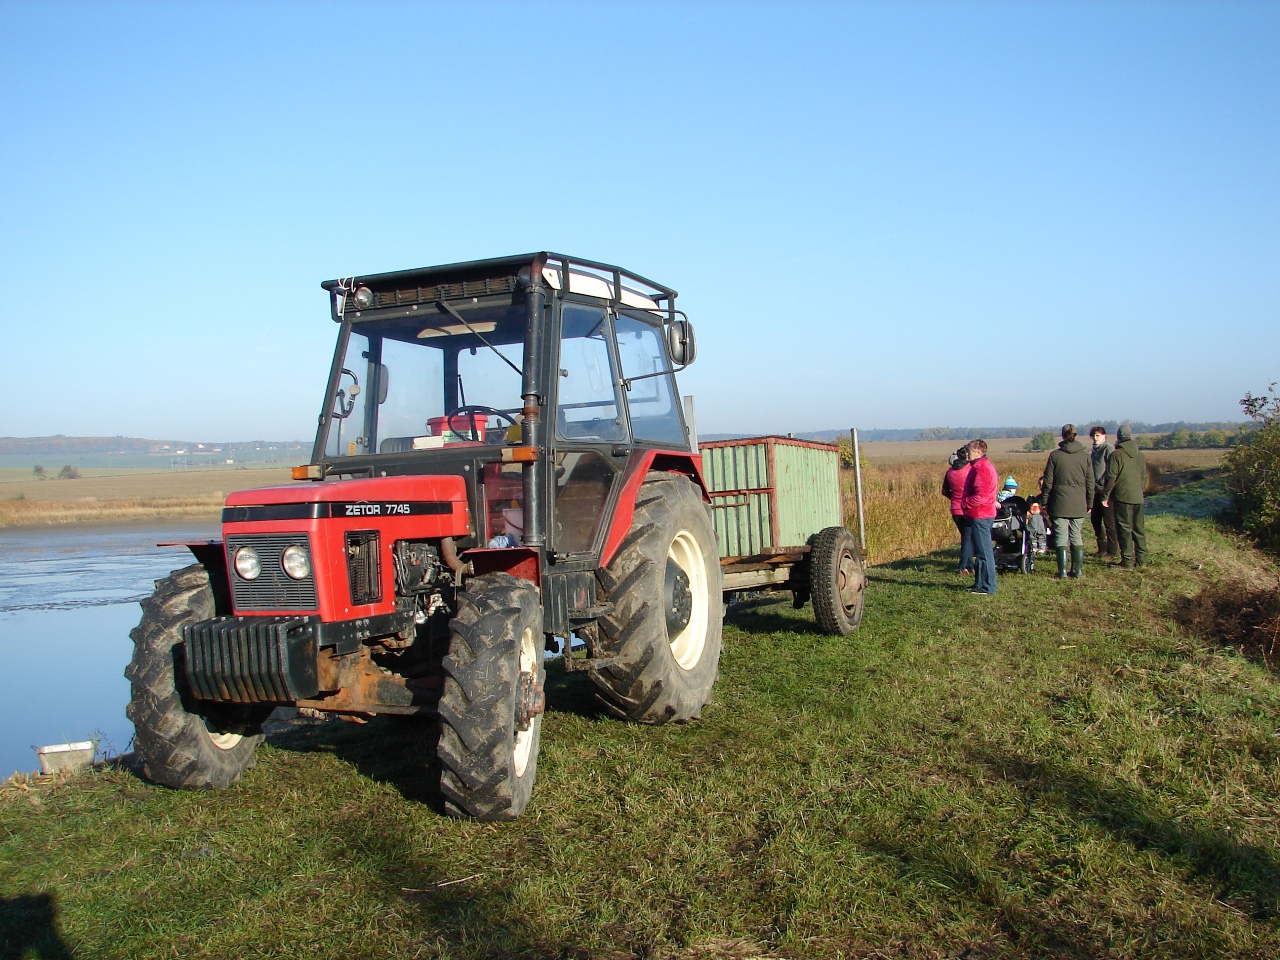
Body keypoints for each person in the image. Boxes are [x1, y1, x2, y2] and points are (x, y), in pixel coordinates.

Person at [1041, 423, 1094, 579]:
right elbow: (1090, 482)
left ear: (1062, 436)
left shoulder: (1055, 456)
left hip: (1059, 503)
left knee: (1061, 537)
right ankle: (1077, 571)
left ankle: (1062, 572)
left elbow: (1048, 482)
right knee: (1076, 535)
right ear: (1075, 436)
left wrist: (1044, 500)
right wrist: (1090, 502)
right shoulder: (1085, 456)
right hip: (1079, 502)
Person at [1102, 424, 1148, 567]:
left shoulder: (1116, 455)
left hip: (1122, 496)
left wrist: (1105, 495)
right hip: (1138, 496)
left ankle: (1127, 561)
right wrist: (1140, 491)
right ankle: (1142, 560)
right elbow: (1143, 477)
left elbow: (1111, 478)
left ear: (1118, 437)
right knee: (1139, 529)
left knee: (1124, 529)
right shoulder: (1140, 455)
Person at [961, 438, 999, 594]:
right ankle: (979, 583)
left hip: (981, 514)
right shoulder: (979, 467)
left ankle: (988, 586)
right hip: (980, 514)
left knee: (984, 552)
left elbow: (981, 496)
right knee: (980, 551)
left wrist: (965, 503)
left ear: (978, 451)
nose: (967, 453)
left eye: (969, 450)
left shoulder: (982, 468)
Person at [1089, 426, 1120, 559]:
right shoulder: (1094, 451)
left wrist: (1103, 481)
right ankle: (1102, 548)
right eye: (1094, 435)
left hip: (1106, 490)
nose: (1095, 438)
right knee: (1095, 520)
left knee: (1109, 522)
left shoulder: (1108, 448)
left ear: (1104, 436)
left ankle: (1112, 551)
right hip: (1095, 490)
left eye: (1098, 435)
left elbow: (1111, 469)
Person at [941, 445, 973, 574]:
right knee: (967, 538)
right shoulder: (970, 469)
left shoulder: (950, 471)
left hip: (955, 508)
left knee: (966, 537)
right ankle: (963, 566)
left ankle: (970, 565)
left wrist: (955, 499)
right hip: (968, 508)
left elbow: (944, 491)